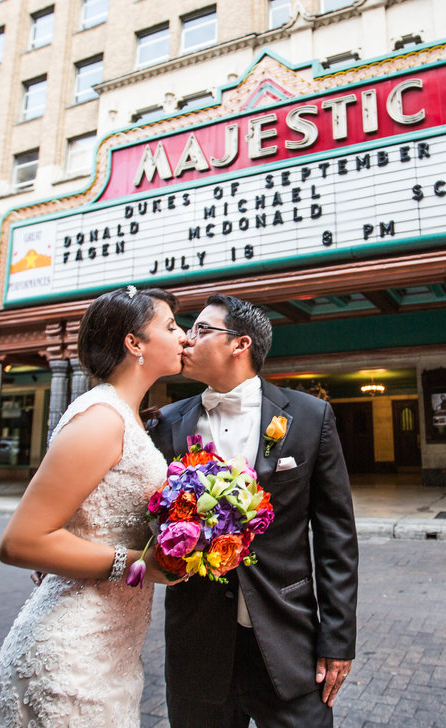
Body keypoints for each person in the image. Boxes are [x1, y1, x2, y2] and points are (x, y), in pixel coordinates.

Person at [150, 294, 359, 728]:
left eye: (202, 330)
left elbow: (336, 534)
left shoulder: (309, 416)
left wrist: (338, 639)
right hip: (198, 642)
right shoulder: (167, 423)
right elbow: (137, 511)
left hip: (287, 642)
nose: (187, 340)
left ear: (240, 344)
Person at [0, 286, 188, 728]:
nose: (184, 336)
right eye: (171, 327)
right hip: (71, 654)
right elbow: (20, 542)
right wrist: (140, 565)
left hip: (112, 648)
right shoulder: (101, 418)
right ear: (134, 343)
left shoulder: (128, 416)